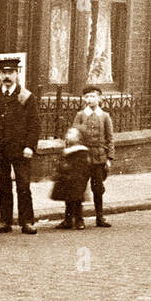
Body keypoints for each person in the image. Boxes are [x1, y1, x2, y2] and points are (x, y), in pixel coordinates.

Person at [0, 58, 39, 234]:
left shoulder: (26, 97)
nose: (7, 76)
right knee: (3, 186)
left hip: (20, 149)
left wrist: (30, 146)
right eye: (4, 73)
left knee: (23, 186)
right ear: (0, 75)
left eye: (10, 73)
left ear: (17, 74)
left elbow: (34, 124)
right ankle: (5, 220)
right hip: (0, 149)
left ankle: (27, 221)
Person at [73, 86, 114, 228]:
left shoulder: (105, 116)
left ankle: (100, 217)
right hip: (82, 157)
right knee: (79, 188)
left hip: (98, 157)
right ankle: (79, 219)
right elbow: (74, 136)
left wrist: (109, 158)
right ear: (84, 99)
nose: (90, 99)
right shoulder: (80, 115)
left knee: (97, 188)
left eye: (93, 96)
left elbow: (110, 138)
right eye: (87, 97)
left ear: (100, 98)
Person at [51, 127, 91, 229]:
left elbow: (82, 167)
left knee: (77, 200)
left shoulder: (81, 151)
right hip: (67, 179)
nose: (68, 135)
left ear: (78, 138)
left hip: (77, 180)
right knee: (68, 200)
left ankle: (79, 220)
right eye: (68, 133)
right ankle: (68, 220)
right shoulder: (67, 151)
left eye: (71, 133)